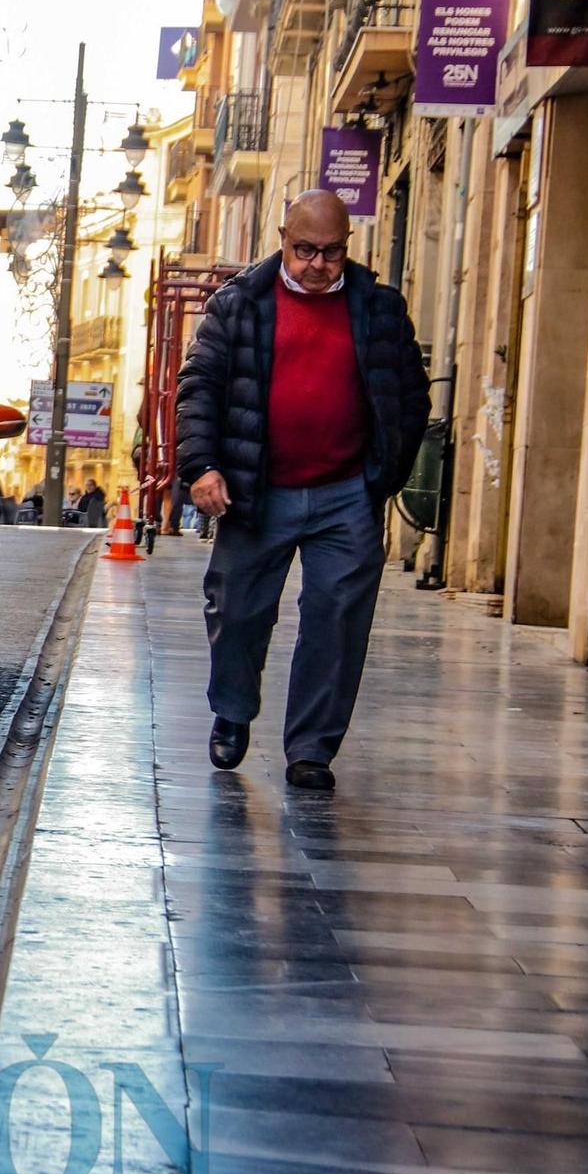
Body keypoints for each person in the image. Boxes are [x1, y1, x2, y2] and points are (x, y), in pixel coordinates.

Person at [177, 189, 428, 791]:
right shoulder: (238, 305)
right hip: (257, 490)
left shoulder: (380, 309)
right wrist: (201, 467)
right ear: (283, 241)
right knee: (236, 609)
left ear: (347, 248)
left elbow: (410, 399)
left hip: (346, 494)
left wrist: (380, 479)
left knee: (337, 620)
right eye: (305, 250)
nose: (317, 263)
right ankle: (233, 711)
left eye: (331, 252)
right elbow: (199, 388)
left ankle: (311, 749)